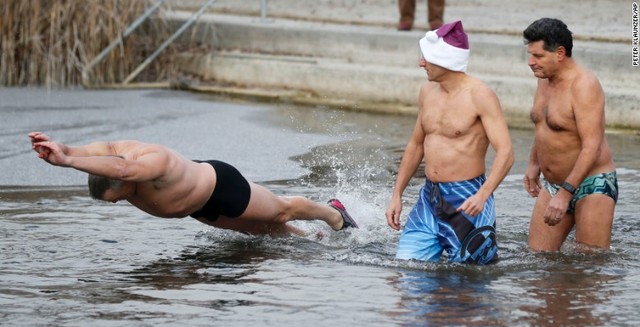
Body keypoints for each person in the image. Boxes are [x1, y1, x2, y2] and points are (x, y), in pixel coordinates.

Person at [29, 132, 358, 236]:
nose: (118, 202)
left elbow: (124, 170)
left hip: (220, 186)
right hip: (200, 209)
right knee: (266, 233)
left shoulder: (148, 162)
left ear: (120, 178)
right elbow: (85, 152)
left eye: (117, 197)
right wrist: (63, 151)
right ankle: (314, 241)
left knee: (281, 212)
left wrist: (68, 162)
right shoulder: (109, 156)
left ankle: (333, 215)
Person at [385, 21, 514, 265]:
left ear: (446, 60)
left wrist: (483, 195)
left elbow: (506, 152)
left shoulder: (480, 95)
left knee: (469, 285)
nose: (421, 63)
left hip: (467, 200)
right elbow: (415, 145)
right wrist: (397, 194)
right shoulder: (427, 92)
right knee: (406, 272)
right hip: (430, 196)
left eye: (427, 58)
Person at [522, 18, 618, 251]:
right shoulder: (543, 78)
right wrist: (534, 163)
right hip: (554, 184)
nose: (531, 62)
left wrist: (565, 194)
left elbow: (591, 146)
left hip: (591, 186)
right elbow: (543, 125)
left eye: (538, 56)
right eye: (530, 55)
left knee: (587, 270)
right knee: (538, 262)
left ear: (560, 53)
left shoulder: (584, 85)